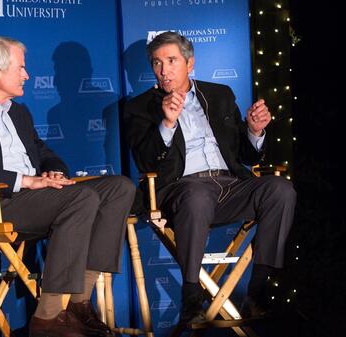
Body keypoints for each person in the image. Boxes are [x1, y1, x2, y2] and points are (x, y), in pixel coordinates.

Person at [0, 36, 135, 337]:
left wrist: (53, 172)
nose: (27, 75)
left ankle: (80, 304)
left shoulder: (19, 112)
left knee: (119, 187)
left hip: (38, 197)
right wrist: (26, 180)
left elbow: (43, 153)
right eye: (21, 68)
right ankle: (48, 316)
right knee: (81, 198)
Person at [124, 32, 296, 324]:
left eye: (171, 61)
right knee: (197, 195)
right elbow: (145, 161)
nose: (163, 70)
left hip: (231, 187)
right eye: (157, 63)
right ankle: (191, 295)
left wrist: (254, 132)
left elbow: (247, 156)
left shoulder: (220, 95)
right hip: (181, 189)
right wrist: (166, 123)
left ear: (190, 63)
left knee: (281, 189)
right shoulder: (141, 107)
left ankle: (259, 289)